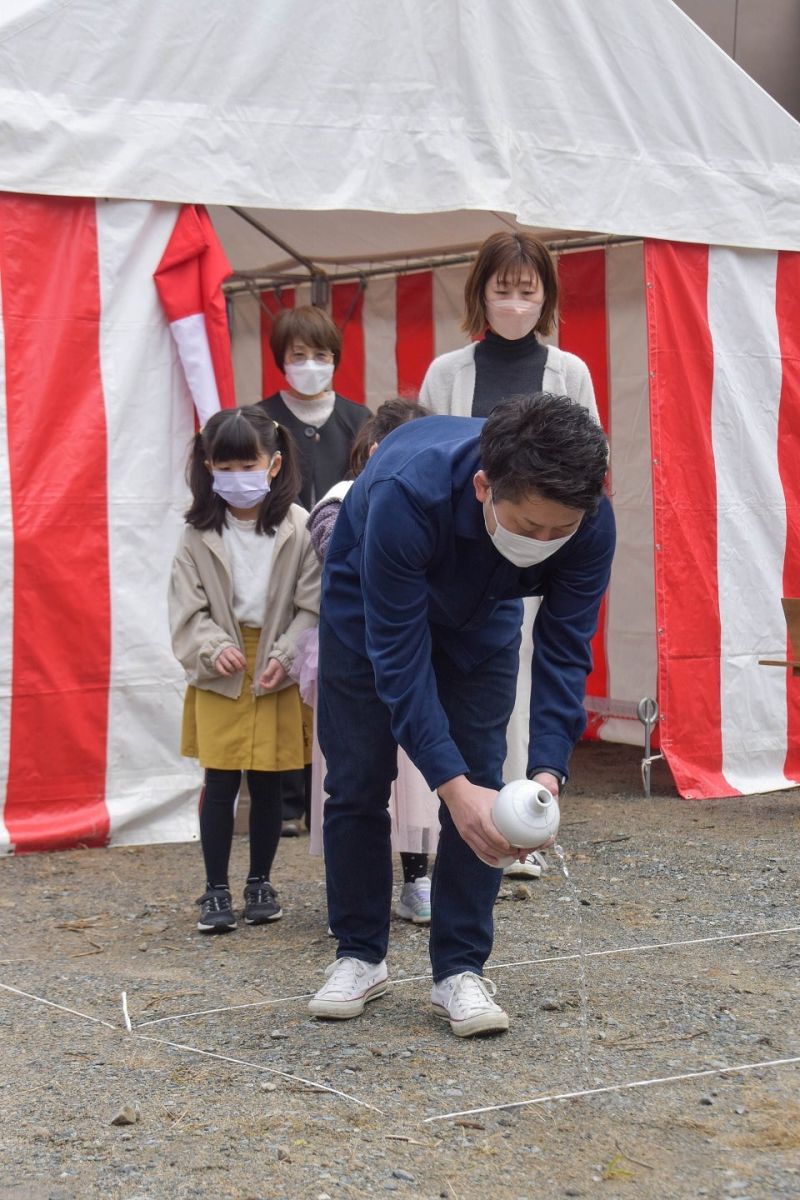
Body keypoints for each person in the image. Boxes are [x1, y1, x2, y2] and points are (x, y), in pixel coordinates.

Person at [308, 393, 614, 1037]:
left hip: (486, 610)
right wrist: (447, 784)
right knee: (358, 777)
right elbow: (397, 655)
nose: (547, 542)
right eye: (532, 527)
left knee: (485, 782)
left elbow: (565, 648)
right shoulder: (402, 493)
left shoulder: (589, 522)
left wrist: (547, 775)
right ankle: (359, 954)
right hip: (370, 605)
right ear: (484, 486)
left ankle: (459, 969)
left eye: (562, 530)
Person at [420, 230, 600, 881]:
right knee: (460, 691)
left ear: (546, 296)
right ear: (481, 294)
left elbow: (589, 470)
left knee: (525, 685)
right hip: (466, 560)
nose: (516, 303)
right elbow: (428, 463)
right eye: (504, 289)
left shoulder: (568, 372)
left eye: (528, 291)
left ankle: (522, 820)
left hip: (540, 557)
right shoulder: (448, 373)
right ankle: (457, 821)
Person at [169, 406, 321, 933]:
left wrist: (283, 655)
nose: (236, 478)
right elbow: (186, 611)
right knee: (220, 776)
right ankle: (214, 890)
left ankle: (260, 880)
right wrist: (212, 648)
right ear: (208, 466)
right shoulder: (196, 535)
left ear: (274, 464)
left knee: (269, 779)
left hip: (278, 657)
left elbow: (313, 604)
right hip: (220, 667)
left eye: (246, 465)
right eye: (224, 467)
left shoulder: (299, 527)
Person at [302, 399, 439, 924]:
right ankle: (360, 900)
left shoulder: (442, 503)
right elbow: (345, 552)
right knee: (359, 778)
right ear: (375, 451)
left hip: (415, 657)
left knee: (416, 774)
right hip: (357, 658)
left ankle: (418, 878)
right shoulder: (339, 501)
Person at [259, 305, 371, 835]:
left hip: (343, 565)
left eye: (320, 355)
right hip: (280, 565)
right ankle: (283, 801)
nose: (309, 365)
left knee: (331, 676)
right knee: (282, 670)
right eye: (297, 355)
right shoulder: (260, 421)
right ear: (280, 359)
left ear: (335, 359)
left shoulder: (359, 420)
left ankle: (328, 790)